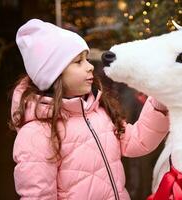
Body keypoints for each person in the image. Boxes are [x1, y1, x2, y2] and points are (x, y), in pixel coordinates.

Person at [10, 19, 169, 200]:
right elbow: (38, 196)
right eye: (78, 62)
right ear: (54, 75)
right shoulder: (37, 134)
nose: (90, 66)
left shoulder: (98, 112)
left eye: (87, 59)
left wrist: (160, 101)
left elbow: (137, 141)